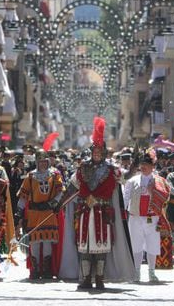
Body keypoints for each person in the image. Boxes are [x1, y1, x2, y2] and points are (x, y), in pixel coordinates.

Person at [58, 117, 136, 290]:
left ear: (104, 153)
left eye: (100, 152)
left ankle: (99, 278)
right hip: (85, 211)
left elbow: (125, 177)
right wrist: (59, 203)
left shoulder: (111, 169)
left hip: (103, 211)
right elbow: (72, 187)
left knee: (101, 247)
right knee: (84, 246)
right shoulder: (83, 168)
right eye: (95, 152)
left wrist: (134, 167)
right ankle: (86, 278)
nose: (97, 154)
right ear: (91, 152)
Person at [15, 148, 64, 280]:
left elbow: (60, 192)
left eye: (45, 161)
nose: (43, 164)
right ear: (37, 162)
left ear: (48, 162)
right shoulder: (30, 176)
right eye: (40, 161)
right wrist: (18, 212)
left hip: (48, 212)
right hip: (34, 213)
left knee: (47, 240)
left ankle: (47, 269)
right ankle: (36, 270)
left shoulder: (55, 175)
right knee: (35, 241)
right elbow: (23, 196)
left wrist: (53, 203)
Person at [124, 148, 170, 282]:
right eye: (142, 165)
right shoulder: (132, 181)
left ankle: (151, 272)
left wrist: (152, 192)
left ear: (153, 167)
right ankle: (136, 271)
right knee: (136, 244)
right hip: (135, 216)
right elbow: (126, 198)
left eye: (147, 165)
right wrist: (125, 213)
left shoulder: (160, 181)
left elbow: (166, 197)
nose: (143, 167)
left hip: (152, 217)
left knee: (152, 244)